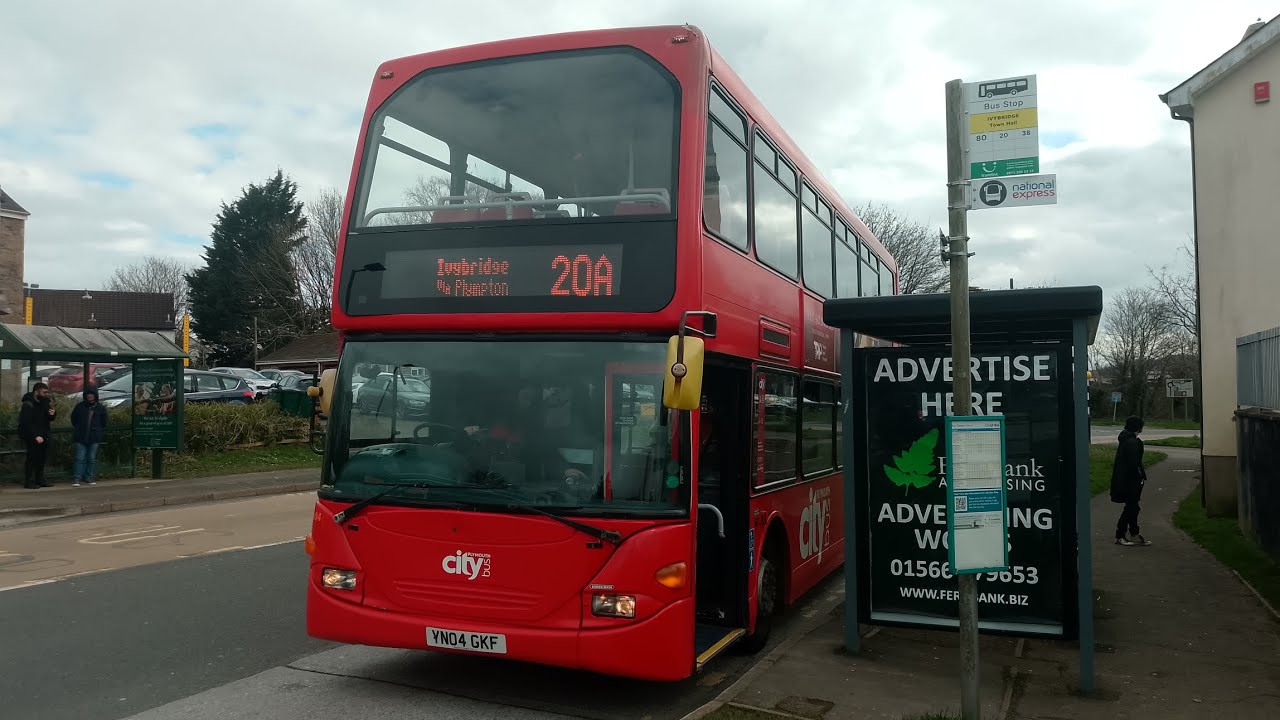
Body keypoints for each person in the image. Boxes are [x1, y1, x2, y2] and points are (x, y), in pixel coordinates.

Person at [1110, 415, 1151, 546]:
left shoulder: (1125, 440)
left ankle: (1133, 533)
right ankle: (1121, 535)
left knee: (1133, 507)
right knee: (1132, 507)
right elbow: (1135, 464)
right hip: (1131, 481)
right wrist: (1140, 478)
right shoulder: (1133, 443)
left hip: (1123, 480)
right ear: (1139, 428)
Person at [17, 382, 56, 489]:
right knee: (32, 458)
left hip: (44, 434)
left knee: (42, 458)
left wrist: (52, 414)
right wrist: (35, 436)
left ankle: (40, 478)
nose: (46, 394)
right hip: (32, 436)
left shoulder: (45, 402)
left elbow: (48, 418)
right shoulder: (28, 404)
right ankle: (28, 481)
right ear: (36, 391)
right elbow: (26, 423)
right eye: (44, 392)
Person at [71, 387, 108, 487]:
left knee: (91, 458)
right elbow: (74, 419)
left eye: (92, 394)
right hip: (81, 436)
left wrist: (98, 430)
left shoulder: (100, 408)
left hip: (94, 436)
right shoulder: (80, 407)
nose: (90, 396)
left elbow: (104, 422)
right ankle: (77, 478)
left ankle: (88, 476)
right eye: (88, 394)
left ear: (95, 395)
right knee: (80, 458)